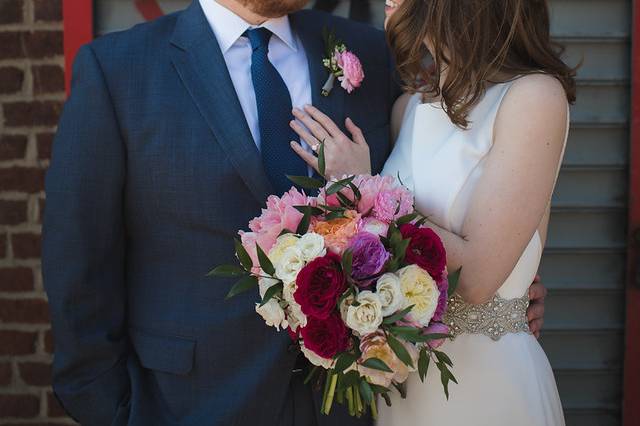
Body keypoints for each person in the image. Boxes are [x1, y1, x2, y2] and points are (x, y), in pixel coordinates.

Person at [42, 1, 548, 425]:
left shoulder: (371, 54)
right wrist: (117, 413)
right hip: (187, 405)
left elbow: (442, 184)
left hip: (354, 407)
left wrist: (508, 290)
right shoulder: (119, 72)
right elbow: (79, 273)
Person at [289, 0, 573, 424]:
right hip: (402, 387)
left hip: (485, 385)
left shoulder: (533, 97)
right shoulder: (410, 108)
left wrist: (364, 186)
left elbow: (475, 279)